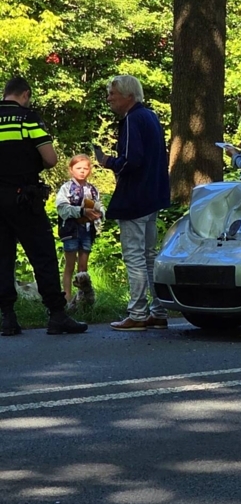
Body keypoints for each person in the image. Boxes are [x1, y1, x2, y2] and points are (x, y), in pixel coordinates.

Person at [0, 77, 87, 336]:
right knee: (42, 254)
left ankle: (7, 318)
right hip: (24, 198)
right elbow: (50, 159)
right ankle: (57, 315)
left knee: (2, 257)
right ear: (25, 94)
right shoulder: (28, 118)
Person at [93, 75, 171, 331]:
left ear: (128, 96)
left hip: (135, 197)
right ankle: (158, 310)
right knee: (149, 256)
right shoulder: (150, 117)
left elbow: (131, 160)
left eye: (112, 94)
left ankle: (137, 312)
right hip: (153, 195)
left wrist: (108, 162)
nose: (109, 98)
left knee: (135, 256)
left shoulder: (131, 120)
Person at [55, 154, 104, 307]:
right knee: (70, 265)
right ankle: (67, 299)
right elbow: (62, 208)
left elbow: (98, 206)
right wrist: (81, 212)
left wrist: (100, 213)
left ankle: (82, 300)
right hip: (70, 231)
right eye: (78, 168)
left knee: (83, 267)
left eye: (85, 168)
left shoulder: (92, 189)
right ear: (71, 170)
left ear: (90, 170)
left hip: (87, 230)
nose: (82, 171)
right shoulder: (66, 188)